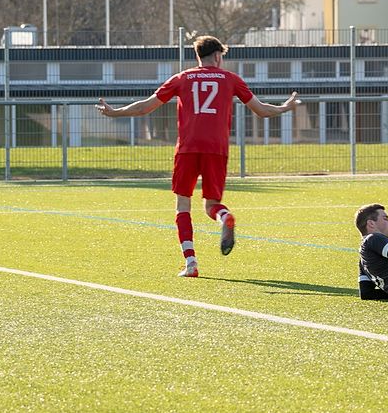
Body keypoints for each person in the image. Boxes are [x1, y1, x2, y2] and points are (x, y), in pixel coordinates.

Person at [96, 35, 300, 277]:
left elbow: (145, 107)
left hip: (188, 148)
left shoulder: (182, 78)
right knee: (211, 205)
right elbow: (262, 110)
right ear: (217, 55)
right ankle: (224, 216)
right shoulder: (230, 79)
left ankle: (191, 263)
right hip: (217, 148)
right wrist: (285, 107)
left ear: (198, 55)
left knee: (183, 204)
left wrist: (114, 112)